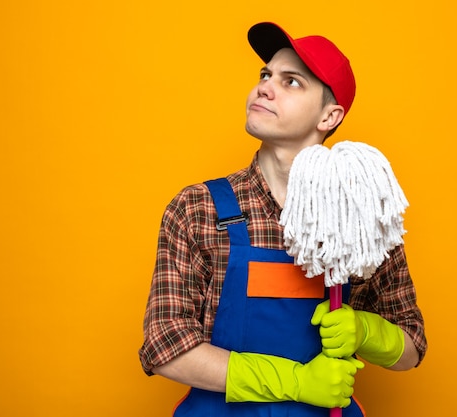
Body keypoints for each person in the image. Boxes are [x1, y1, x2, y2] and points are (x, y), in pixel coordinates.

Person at [138, 22, 427, 417]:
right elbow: (164, 347)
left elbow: (411, 348)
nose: (264, 87)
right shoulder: (198, 209)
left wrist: (365, 330)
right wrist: (296, 382)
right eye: (264, 75)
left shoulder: (360, 219)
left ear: (329, 116)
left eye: (291, 82)